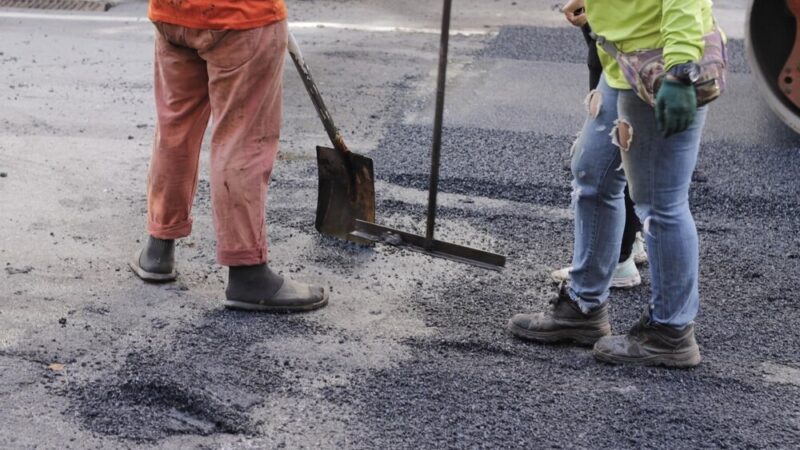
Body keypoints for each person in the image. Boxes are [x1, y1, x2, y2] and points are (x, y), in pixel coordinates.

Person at [509, 0, 715, 368]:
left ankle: (671, 332)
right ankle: (583, 307)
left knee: (660, 202)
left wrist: (681, 69)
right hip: (621, 59)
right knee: (592, 174)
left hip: (660, 63)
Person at [129, 0, 329, 312]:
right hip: (242, 16)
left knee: (175, 128)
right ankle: (248, 273)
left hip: (174, 14)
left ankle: (158, 249)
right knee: (243, 139)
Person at [550, 0, 648, 290]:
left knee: (603, 161)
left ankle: (616, 260)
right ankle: (628, 241)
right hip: (623, 28)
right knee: (621, 152)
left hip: (629, 37)